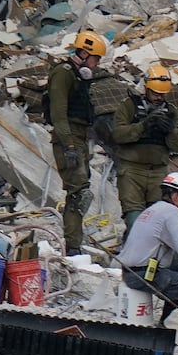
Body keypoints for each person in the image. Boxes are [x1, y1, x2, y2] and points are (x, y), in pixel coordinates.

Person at [117, 172, 178, 322]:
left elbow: (173, 245)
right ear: (175, 196)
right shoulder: (171, 211)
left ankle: (166, 322)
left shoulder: (153, 209)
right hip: (144, 275)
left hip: (130, 271)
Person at [48, 29, 107, 256]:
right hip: (68, 138)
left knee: (81, 192)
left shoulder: (78, 76)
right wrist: (69, 146)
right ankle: (72, 246)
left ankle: (74, 242)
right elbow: (59, 114)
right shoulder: (63, 73)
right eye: (95, 59)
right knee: (79, 192)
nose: (96, 64)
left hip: (79, 138)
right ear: (83, 53)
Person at [113, 65, 178, 232]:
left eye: (162, 94)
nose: (159, 98)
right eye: (155, 93)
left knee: (157, 221)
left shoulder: (171, 111)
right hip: (131, 170)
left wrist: (170, 130)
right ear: (146, 88)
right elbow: (118, 135)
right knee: (134, 219)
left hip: (158, 172)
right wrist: (143, 126)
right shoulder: (129, 106)